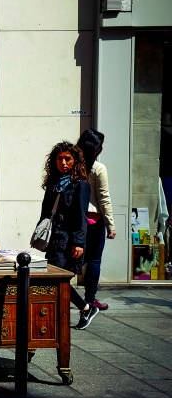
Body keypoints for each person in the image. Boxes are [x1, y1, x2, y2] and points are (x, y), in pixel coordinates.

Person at [38, 141, 94, 329]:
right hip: (55, 236)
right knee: (55, 278)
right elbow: (46, 210)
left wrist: (78, 242)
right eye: (60, 159)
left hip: (69, 239)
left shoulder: (80, 184)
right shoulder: (54, 182)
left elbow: (81, 215)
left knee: (57, 279)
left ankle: (84, 308)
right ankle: (82, 309)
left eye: (67, 159)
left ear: (75, 160)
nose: (63, 163)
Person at [77, 129, 116, 311]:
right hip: (94, 219)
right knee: (93, 260)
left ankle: (69, 297)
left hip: (75, 218)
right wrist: (111, 225)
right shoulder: (98, 168)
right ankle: (90, 299)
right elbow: (104, 197)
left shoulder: (72, 164)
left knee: (71, 260)